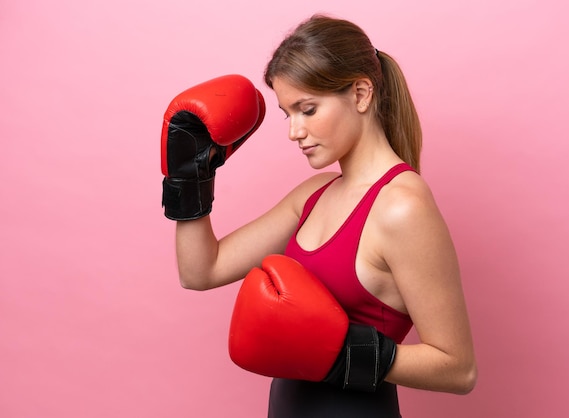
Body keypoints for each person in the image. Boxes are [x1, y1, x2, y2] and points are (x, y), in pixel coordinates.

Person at [161, 14, 477, 418]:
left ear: (361, 93)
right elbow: (200, 271)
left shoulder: (402, 207)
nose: (294, 131)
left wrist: (335, 350)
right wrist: (191, 177)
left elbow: (459, 368)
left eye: (307, 110)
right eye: (287, 114)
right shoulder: (313, 196)